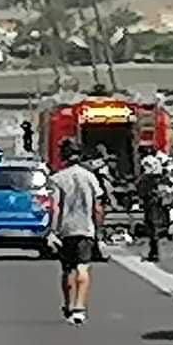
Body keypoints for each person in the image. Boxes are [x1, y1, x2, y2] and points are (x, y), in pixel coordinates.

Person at [49, 138, 104, 326]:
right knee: (83, 268)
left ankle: (68, 304)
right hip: (85, 228)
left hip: (66, 230)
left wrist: (53, 230)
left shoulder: (57, 179)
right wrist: (98, 228)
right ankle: (80, 307)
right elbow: (97, 206)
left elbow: (55, 207)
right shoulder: (90, 177)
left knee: (67, 270)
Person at [137, 146, 169, 262]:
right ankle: (154, 249)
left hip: (150, 198)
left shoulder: (146, 162)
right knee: (154, 222)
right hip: (156, 196)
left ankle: (154, 251)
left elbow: (145, 178)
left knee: (151, 223)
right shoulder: (157, 162)